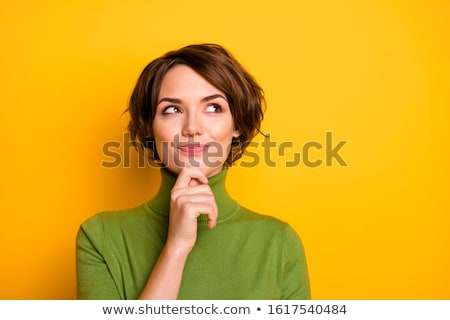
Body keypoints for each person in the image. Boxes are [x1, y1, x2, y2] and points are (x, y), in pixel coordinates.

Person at [76, 43, 310, 299]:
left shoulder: (279, 243)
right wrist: (176, 248)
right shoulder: (101, 237)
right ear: (149, 128)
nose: (192, 128)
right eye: (172, 109)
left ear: (237, 124)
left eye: (212, 107)